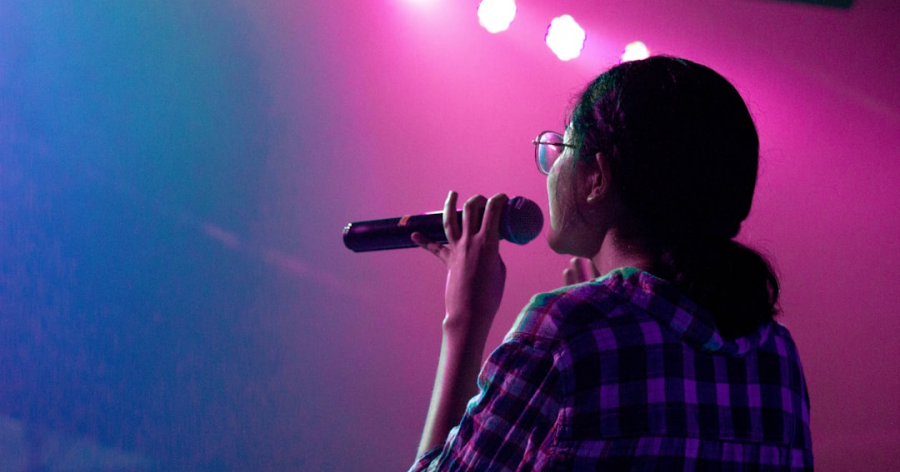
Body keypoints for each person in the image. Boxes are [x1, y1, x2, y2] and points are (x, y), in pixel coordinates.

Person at [408, 56, 813, 471]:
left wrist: (466, 319)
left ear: (597, 179)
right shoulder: (776, 353)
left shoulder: (563, 330)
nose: (550, 169)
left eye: (561, 149)